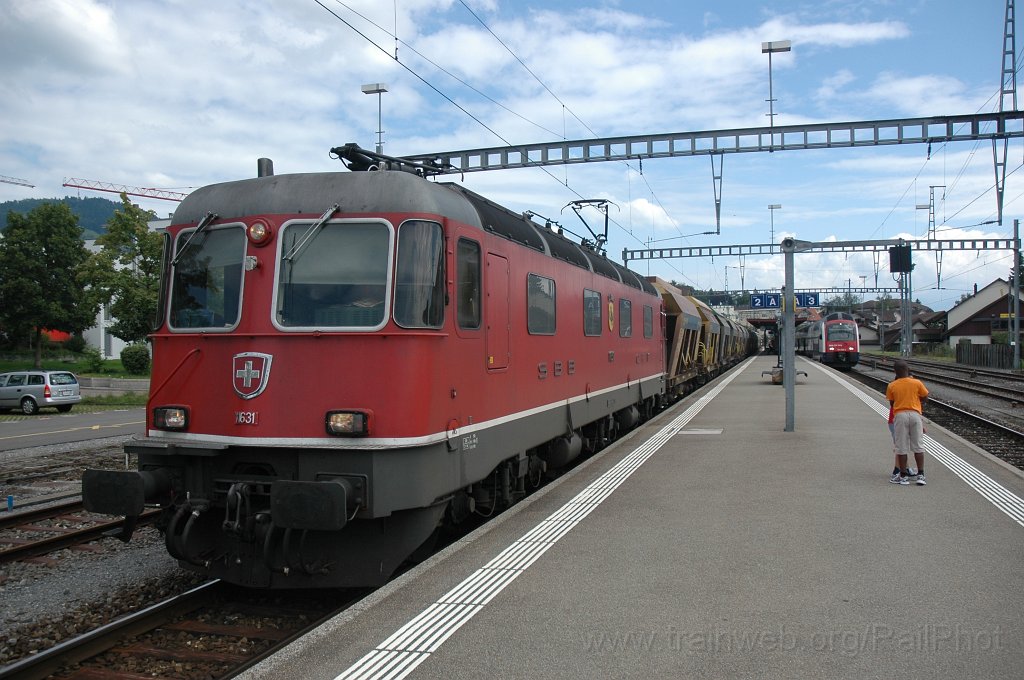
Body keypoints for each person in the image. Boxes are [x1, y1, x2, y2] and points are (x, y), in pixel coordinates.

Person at [885, 359, 929, 486]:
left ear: (895, 372)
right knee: (918, 446)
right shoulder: (917, 382)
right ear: (908, 369)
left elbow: (892, 403)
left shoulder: (892, 385)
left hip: (900, 415)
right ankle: (921, 475)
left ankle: (903, 476)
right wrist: (916, 402)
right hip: (915, 415)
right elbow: (925, 397)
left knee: (901, 447)